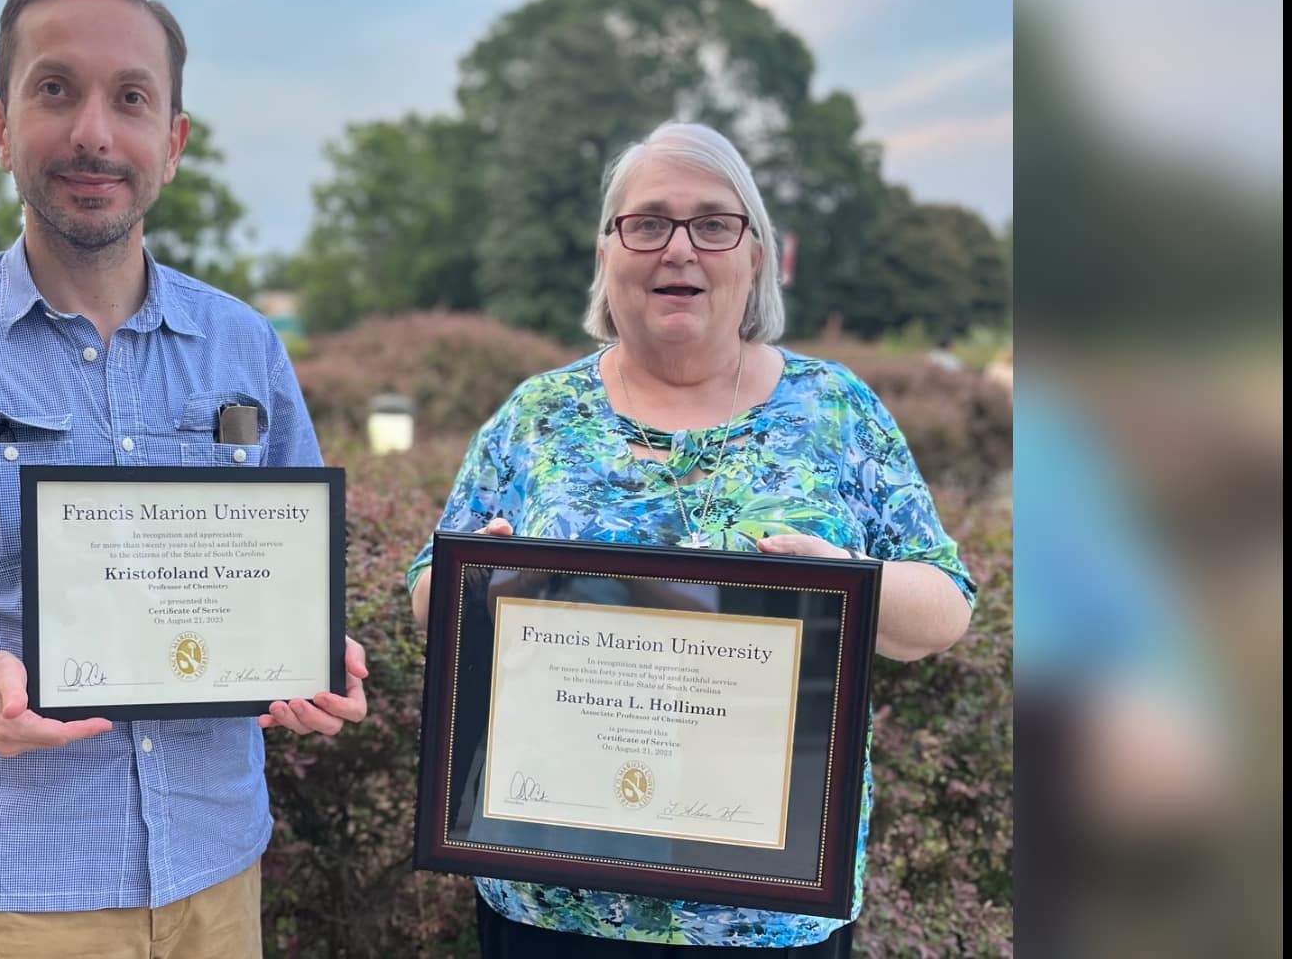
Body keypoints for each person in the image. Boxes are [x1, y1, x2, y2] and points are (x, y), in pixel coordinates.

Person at [0, 0, 369, 959]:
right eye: (55, 90)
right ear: (0, 125)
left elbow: (290, 576)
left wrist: (317, 656)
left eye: (132, 98)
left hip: (215, 884)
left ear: (173, 142)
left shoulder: (247, 347)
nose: (95, 133)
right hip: (10, 898)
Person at [406, 122, 976, 955]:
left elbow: (946, 606)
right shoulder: (537, 415)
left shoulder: (836, 410)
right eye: (648, 223)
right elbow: (431, 593)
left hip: (769, 912)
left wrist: (852, 583)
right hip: (552, 899)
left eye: (714, 224)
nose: (680, 249)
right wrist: (484, 590)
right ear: (608, 251)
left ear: (757, 256)